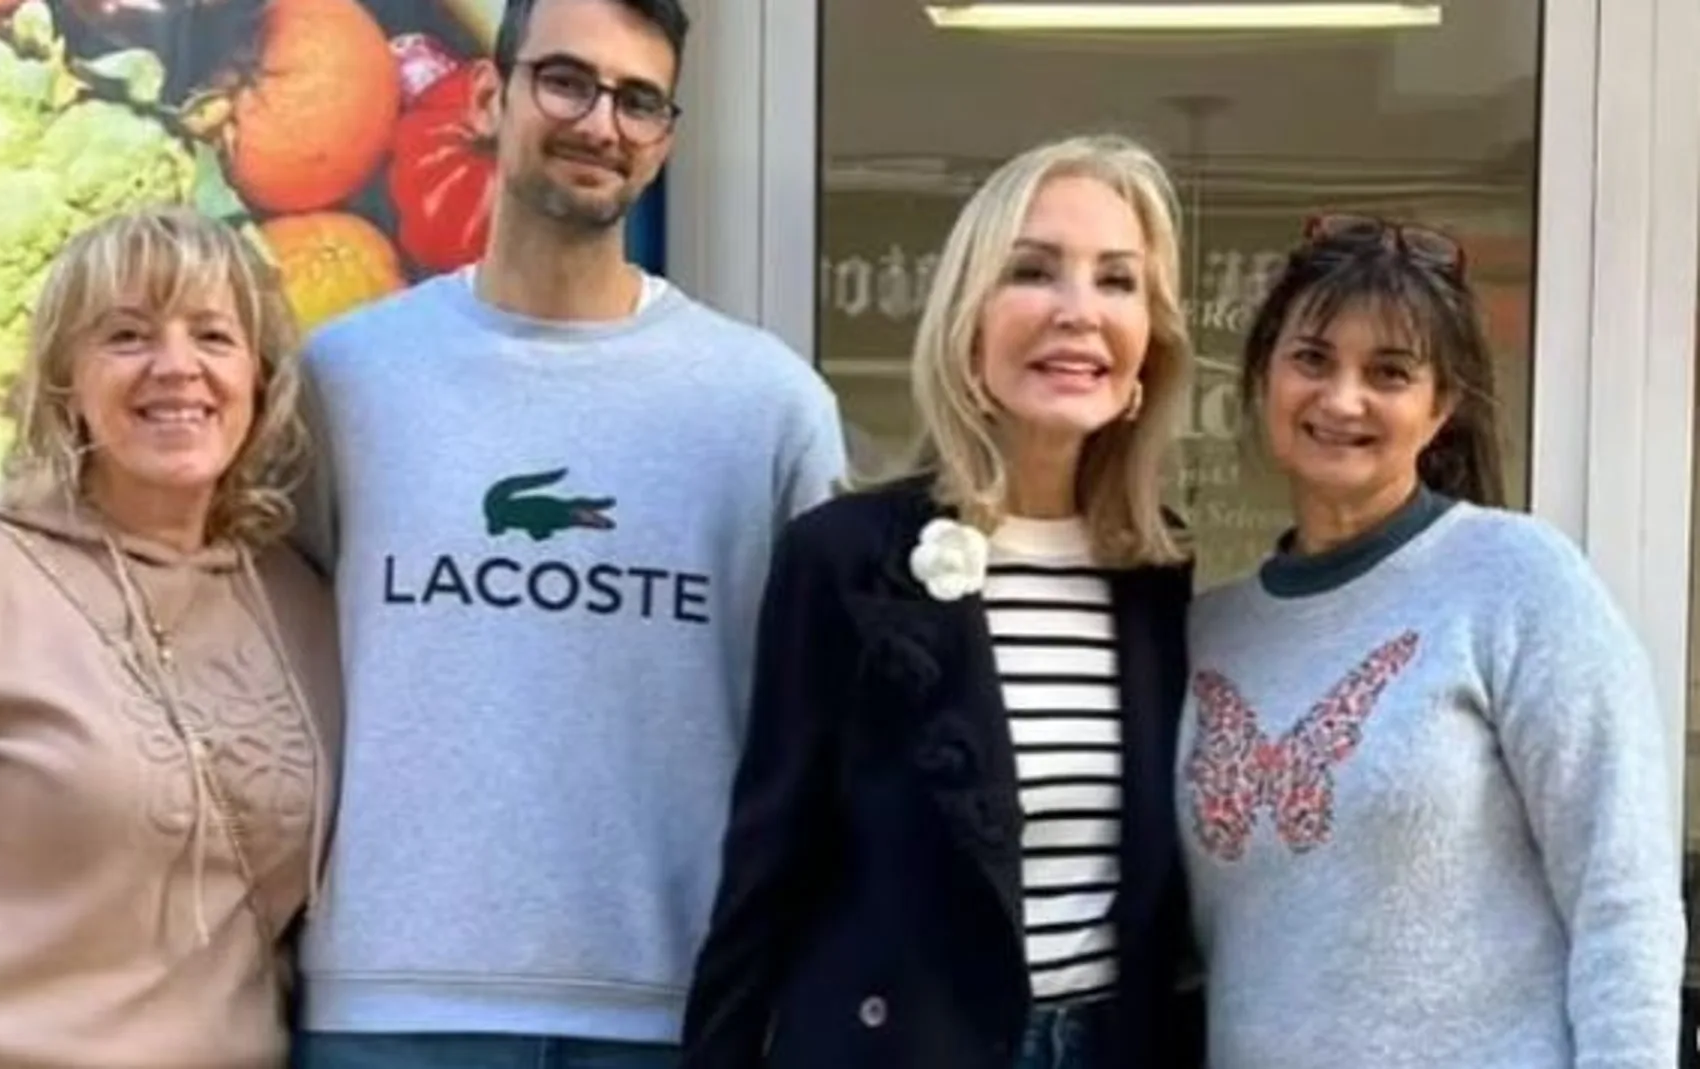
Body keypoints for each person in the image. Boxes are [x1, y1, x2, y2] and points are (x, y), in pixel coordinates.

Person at [286, 0, 846, 1065]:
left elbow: (821, 722)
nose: (602, 121)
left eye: (638, 99)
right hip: (389, 1010)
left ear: (666, 138)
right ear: (489, 98)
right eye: (567, 82)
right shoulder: (347, 379)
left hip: (674, 1009)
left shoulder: (766, 407)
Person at [679, 133, 1205, 1069]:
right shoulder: (843, 560)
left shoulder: (1162, 573)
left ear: (1148, 353)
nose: (1079, 313)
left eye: (1117, 281)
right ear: (969, 322)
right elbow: (766, 876)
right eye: (1034, 271)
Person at [0, 206, 342, 1068]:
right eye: (127, 336)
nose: (177, 368)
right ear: (66, 379)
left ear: (260, 375)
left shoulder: (299, 606)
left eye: (212, 335)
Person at [1177, 213, 1684, 1068]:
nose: (1343, 398)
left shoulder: (1519, 580)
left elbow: (1621, 894)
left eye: (1389, 372)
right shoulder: (1211, 633)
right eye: (1312, 359)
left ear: (1439, 405)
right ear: (1263, 378)